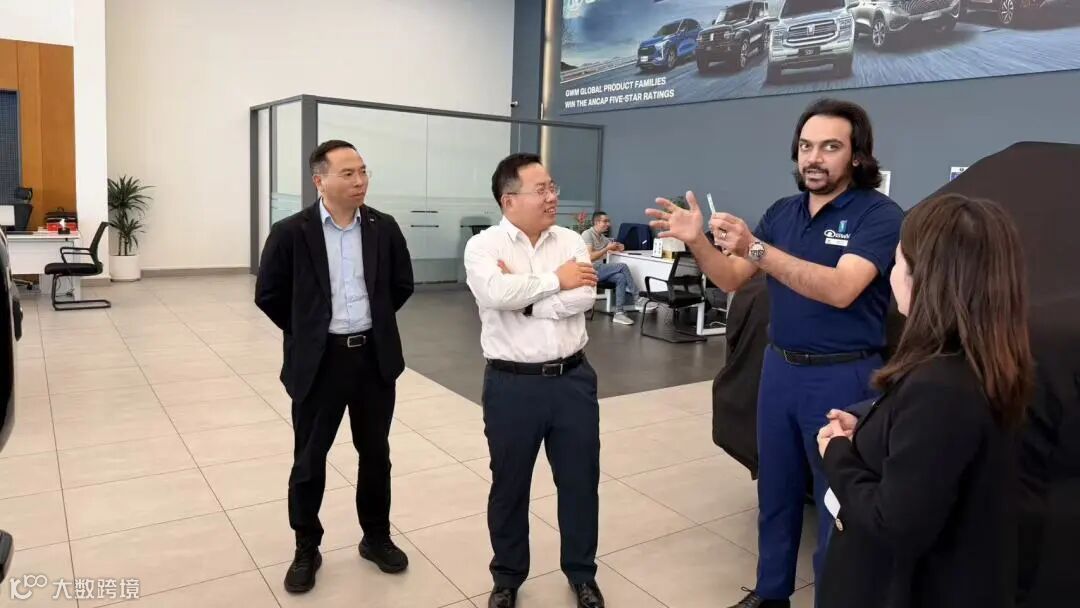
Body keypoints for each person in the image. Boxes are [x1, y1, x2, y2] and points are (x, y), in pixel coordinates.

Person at [645, 98, 904, 608]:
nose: (814, 158)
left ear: (856, 155)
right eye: (806, 146)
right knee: (777, 491)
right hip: (780, 370)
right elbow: (732, 278)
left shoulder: (879, 214)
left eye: (830, 147)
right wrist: (698, 242)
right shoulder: (783, 212)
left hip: (843, 376)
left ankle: (835, 598)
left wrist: (756, 248)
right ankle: (771, 594)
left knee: (836, 501)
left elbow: (841, 289)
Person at [816, 193, 1034, 608]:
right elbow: (933, 461)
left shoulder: (940, 387)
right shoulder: (983, 363)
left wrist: (838, 453)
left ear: (925, 278)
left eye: (897, 261)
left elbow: (894, 523)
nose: (891, 273)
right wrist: (873, 431)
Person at [255, 139, 414, 593]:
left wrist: (372, 320)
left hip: (372, 360)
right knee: (309, 459)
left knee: (376, 454)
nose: (360, 181)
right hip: (319, 363)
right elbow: (269, 294)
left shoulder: (383, 227)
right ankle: (306, 546)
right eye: (348, 173)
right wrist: (308, 330)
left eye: (363, 171)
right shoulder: (291, 232)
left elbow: (401, 284)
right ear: (319, 181)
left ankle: (376, 537)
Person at [463, 153, 605, 608]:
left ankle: (582, 574)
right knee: (509, 486)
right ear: (509, 200)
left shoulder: (571, 240)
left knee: (580, 483)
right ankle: (507, 577)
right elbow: (494, 292)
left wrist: (526, 298)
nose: (552, 197)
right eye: (541, 189)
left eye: (552, 186)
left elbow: (585, 296)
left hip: (572, 381)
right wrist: (555, 280)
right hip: (511, 385)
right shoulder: (483, 246)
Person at [580, 211, 652, 325]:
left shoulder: (602, 237)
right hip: (589, 270)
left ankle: (619, 313)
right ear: (597, 222)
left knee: (620, 277)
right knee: (622, 266)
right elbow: (589, 257)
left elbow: (614, 245)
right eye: (605, 221)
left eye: (608, 221)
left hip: (599, 269)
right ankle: (637, 298)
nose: (608, 224)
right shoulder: (587, 234)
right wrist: (606, 249)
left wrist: (620, 246)